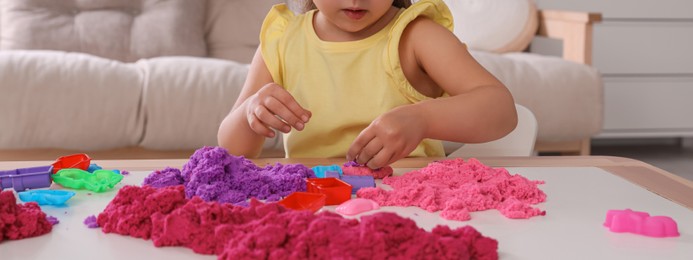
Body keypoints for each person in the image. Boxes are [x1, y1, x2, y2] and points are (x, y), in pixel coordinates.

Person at [218, 0, 518, 169]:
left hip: (411, 205)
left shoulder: (416, 36)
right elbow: (231, 149)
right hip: (316, 205)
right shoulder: (283, 39)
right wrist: (250, 112)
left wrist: (423, 119)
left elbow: (501, 109)